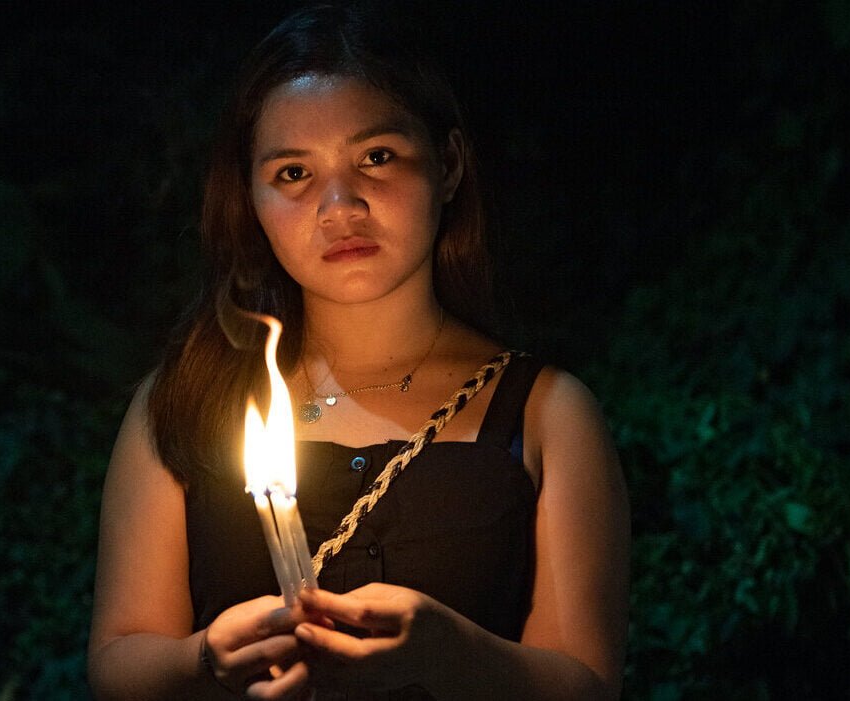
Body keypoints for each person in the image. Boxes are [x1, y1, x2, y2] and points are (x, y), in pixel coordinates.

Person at [88, 5, 629, 699]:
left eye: (377, 157)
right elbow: (116, 661)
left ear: (450, 164)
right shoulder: (186, 400)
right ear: (249, 197)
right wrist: (204, 660)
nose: (340, 206)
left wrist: (458, 654)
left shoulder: (549, 416)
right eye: (293, 174)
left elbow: (588, 683)